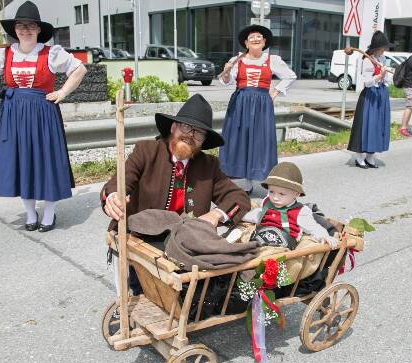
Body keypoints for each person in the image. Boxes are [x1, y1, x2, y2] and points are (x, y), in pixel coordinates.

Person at [101, 94, 252, 294]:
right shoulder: (146, 151)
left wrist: (216, 215)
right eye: (186, 127)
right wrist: (113, 197)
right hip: (142, 237)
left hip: (185, 245)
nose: (190, 135)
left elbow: (239, 198)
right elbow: (119, 182)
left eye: (198, 133)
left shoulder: (208, 165)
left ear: (203, 141)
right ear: (173, 127)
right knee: (141, 291)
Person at [0, 1, 87, 232]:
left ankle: (49, 214)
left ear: (38, 29)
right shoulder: (5, 53)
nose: (25, 30)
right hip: (14, 115)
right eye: (21, 26)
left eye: (30, 25)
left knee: (46, 161)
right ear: (14, 30)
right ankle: (31, 214)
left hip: (43, 114)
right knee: (21, 161)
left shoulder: (51, 53)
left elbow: (79, 69)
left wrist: (62, 92)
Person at [218, 25, 297, 193]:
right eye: (251, 37)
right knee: (239, 139)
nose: (255, 39)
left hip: (262, 104)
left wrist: (275, 92)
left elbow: (290, 75)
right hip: (240, 103)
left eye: (258, 37)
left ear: (264, 42)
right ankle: (241, 181)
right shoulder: (237, 60)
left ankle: (256, 177)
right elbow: (227, 81)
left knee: (259, 140)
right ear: (246, 43)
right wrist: (226, 73)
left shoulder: (272, 60)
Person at [242, 162, 339, 250]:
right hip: (259, 239)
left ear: (296, 194)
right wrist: (239, 216)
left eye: (281, 194)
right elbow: (257, 215)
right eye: (271, 191)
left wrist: (325, 236)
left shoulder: (300, 212)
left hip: (283, 247)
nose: (275, 197)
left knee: (267, 257)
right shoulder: (267, 202)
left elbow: (313, 227)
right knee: (244, 246)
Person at [348, 31, 392, 169]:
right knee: (367, 125)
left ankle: (370, 156)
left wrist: (385, 75)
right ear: (377, 47)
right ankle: (359, 156)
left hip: (381, 94)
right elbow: (366, 83)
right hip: (370, 95)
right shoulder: (367, 60)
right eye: (383, 47)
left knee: (378, 125)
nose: (384, 50)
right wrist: (378, 76)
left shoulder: (382, 59)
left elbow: (388, 81)